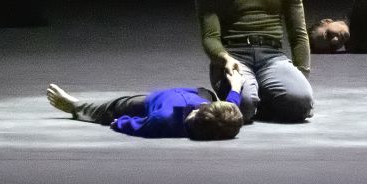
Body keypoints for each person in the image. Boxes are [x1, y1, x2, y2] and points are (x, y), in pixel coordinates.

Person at [44, 67, 245, 140]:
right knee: (216, 99)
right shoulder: (213, 112)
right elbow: (231, 107)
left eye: (200, 110)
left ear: (196, 115)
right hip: (196, 94)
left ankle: (75, 106)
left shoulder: (162, 119)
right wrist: (235, 85)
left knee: (113, 108)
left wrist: (118, 122)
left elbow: (133, 125)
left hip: (152, 102)